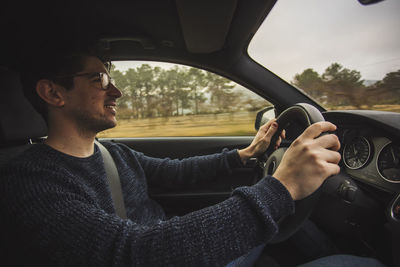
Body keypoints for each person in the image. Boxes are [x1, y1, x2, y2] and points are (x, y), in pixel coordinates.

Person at [0, 51, 384, 267]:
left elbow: (177, 173)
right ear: (53, 92)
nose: (115, 90)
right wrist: (281, 187)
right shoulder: (31, 181)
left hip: (184, 249)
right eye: (99, 79)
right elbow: (133, 253)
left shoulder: (111, 152)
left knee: (297, 225)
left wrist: (246, 154)